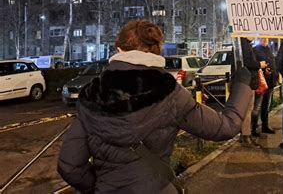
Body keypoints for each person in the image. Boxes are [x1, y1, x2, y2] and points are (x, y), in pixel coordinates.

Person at [57, 20, 253, 193]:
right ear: (157, 50)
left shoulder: (92, 94)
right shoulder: (169, 92)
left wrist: (101, 186)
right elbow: (225, 127)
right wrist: (242, 85)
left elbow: (70, 166)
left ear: (119, 49)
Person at [241, 37, 267, 148]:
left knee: (248, 109)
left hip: (248, 81)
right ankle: (246, 136)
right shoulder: (244, 45)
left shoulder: (246, 44)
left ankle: (246, 135)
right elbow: (247, 62)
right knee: (247, 110)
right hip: (247, 81)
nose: (254, 35)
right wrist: (259, 65)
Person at [253, 38, 278, 134]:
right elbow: (255, 65)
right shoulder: (255, 50)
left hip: (270, 82)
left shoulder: (269, 49)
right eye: (263, 38)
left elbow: (272, 63)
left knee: (266, 105)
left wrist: (274, 73)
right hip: (261, 83)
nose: (265, 40)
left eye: (266, 38)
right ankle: (254, 127)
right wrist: (264, 70)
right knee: (257, 106)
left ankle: (265, 125)